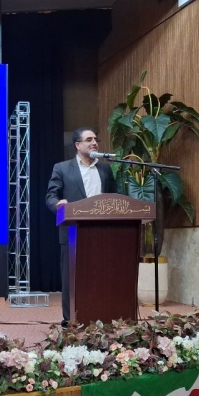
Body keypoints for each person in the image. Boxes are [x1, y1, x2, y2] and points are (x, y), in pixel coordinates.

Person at [45, 127, 117, 326]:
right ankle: (71, 320)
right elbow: (51, 196)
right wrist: (57, 205)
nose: (94, 143)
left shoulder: (105, 169)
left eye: (95, 139)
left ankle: (102, 317)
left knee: (101, 275)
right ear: (78, 145)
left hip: (102, 232)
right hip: (72, 230)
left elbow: (114, 196)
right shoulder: (62, 168)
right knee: (72, 278)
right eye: (89, 139)